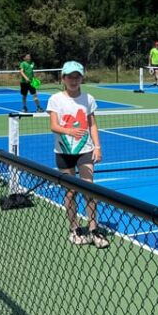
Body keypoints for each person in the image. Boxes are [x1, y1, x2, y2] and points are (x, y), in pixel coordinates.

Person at [47, 61, 108, 249]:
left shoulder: (88, 99)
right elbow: (53, 126)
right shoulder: (55, 99)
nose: (73, 80)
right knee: (70, 191)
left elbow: (92, 124)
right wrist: (69, 131)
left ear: (82, 78)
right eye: (70, 77)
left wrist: (97, 147)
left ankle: (93, 229)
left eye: (77, 77)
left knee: (89, 188)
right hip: (64, 152)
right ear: (63, 78)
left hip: (85, 150)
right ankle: (74, 228)